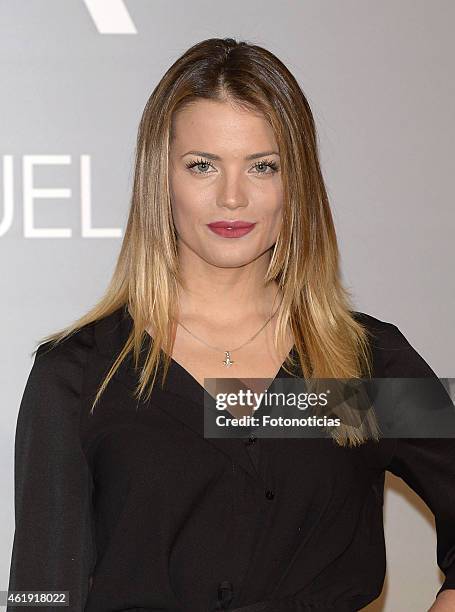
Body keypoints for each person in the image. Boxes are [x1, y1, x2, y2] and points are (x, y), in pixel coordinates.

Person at [6, 37, 455, 612]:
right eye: (202, 166)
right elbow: (42, 596)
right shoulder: (78, 376)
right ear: (159, 179)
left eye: (262, 166)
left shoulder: (364, 362)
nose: (232, 197)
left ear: (296, 183)